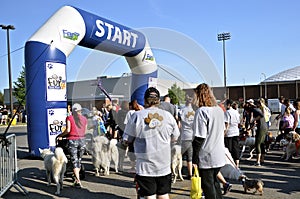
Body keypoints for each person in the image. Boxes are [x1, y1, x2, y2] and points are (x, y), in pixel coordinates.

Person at [123, 87, 180, 199]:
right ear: (159, 100)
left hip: (145, 166)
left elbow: (127, 139)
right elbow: (175, 137)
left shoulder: (136, 116)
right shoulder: (168, 116)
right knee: (163, 195)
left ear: (144, 100)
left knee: (149, 196)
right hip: (163, 164)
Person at [192, 83, 226, 199]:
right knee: (215, 183)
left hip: (206, 154)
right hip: (219, 153)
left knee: (207, 186)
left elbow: (199, 137)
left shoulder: (202, 111)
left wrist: (194, 158)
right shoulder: (219, 110)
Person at [57, 103, 87, 188]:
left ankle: (78, 181)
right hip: (82, 140)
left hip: (73, 140)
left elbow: (68, 130)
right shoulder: (84, 119)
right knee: (79, 160)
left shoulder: (70, 118)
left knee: (74, 160)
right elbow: (85, 131)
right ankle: (77, 179)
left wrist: (60, 135)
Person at [244, 100, 268, 166]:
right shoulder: (256, 109)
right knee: (262, 143)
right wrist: (249, 129)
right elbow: (254, 123)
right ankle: (262, 160)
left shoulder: (254, 110)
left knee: (258, 143)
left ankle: (258, 161)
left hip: (261, 128)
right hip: (264, 127)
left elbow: (261, 115)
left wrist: (254, 119)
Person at [178, 95, 195, 179]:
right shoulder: (195, 111)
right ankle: (190, 174)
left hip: (184, 135)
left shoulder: (182, 110)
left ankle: (178, 172)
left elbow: (179, 125)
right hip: (192, 135)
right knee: (190, 156)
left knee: (179, 155)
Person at [224, 99, 241, 168]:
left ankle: (231, 164)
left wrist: (224, 133)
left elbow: (227, 124)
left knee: (229, 149)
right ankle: (237, 163)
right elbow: (239, 122)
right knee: (236, 148)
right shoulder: (236, 112)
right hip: (236, 131)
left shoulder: (227, 112)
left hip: (229, 132)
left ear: (228, 105)